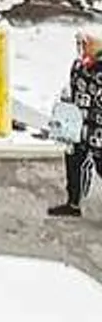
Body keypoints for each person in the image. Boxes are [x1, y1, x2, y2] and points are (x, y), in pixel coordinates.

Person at [54, 33, 102, 218]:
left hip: (97, 130)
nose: (81, 48)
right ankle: (73, 203)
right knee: (74, 162)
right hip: (78, 127)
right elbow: (73, 89)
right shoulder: (78, 66)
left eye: (85, 44)